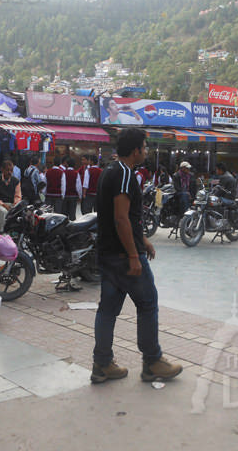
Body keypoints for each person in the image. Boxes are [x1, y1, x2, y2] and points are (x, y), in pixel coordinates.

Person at [92, 127, 182, 384]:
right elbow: (120, 218)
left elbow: (124, 218)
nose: (146, 151)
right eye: (145, 147)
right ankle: (153, 362)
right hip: (123, 256)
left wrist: (143, 239)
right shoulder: (124, 174)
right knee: (147, 303)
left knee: (107, 310)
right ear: (135, 150)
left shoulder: (110, 170)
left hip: (108, 253)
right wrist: (133, 254)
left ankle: (102, 364)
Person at [0, 160, 21, 231]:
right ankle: (2, 232)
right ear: (2, 169)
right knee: (3, 212)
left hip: (12, 205)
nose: (9, 172)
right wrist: (4, 205)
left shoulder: (16, 181)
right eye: (7, 170)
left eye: (11, 170)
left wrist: (14, 206)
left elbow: (17, 196)